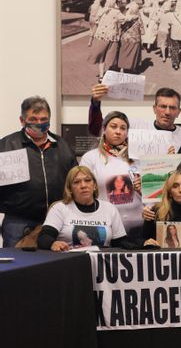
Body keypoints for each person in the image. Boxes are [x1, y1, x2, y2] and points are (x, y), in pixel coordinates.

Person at [0, 97, 77, 247]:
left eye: (43, 119)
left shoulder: (62, 145)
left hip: (57, 220)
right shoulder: (6, 146)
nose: (39, 123)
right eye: (33, 119)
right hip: (18, 221)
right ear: (22, 121)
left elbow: (74, 178)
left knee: (54, 267)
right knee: (18, 268)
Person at [38, 166, 137, 250]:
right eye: (76, 182)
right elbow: (44, 237)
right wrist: (52, 244)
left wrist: (143, 243)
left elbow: (121, 242)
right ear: (70, 188)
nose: (83, 185)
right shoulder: (60, 208)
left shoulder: (109, 209)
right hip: (68, 263)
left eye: (87, 180)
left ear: (94, 185)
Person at [80, 111, 144, 239]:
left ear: (127, 133)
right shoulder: (91, 158)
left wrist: (143, 189)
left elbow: (153, 195)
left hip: (139, 226)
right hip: (106, 225)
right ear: (104, 129)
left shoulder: (137, 158)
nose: (118, 131)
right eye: (113, 126)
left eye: (123, 128)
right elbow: (82, 191)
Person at [89, 87, 181, 149]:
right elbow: (98, 129)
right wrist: (95, 103)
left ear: (178, 112)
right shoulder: (134, 126)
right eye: (163, 106)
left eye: (172, 108)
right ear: (154, 109)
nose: (167, 112)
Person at [87, 0, 122, 79]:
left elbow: (96, 21)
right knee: (110, 56)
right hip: (112, 36)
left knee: (101, 57)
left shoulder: (101, 10)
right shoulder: (116, 12)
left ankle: (101, 75)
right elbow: (124, 19)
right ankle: (111, 73)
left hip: (101, 36)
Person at [109, 1, 144, 73]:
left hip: (124, 38)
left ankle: (122, 69)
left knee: (123, 53)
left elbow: (119, 26)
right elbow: (143, 31)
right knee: (133, 54)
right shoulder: (139, 18)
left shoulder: (124, 17)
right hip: (135, 38)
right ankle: (133, 68)